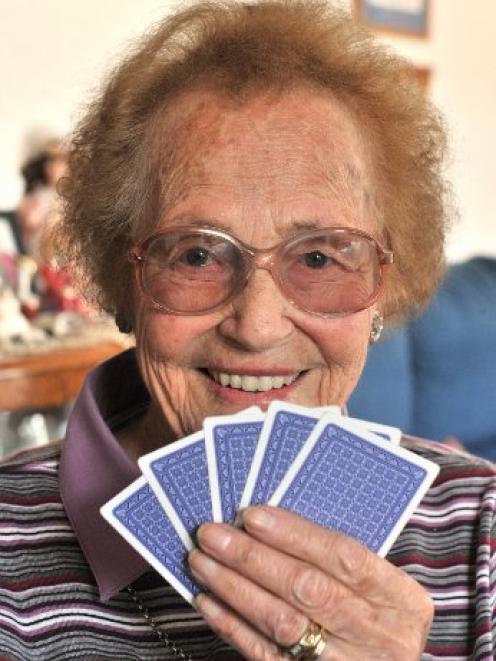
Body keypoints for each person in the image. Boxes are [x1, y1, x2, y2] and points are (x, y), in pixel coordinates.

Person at [1, 1, 494, 659]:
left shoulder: (480, 532)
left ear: (384, 287)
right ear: (124, 283)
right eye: (197, 254)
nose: (257, 327)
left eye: (319, 256)